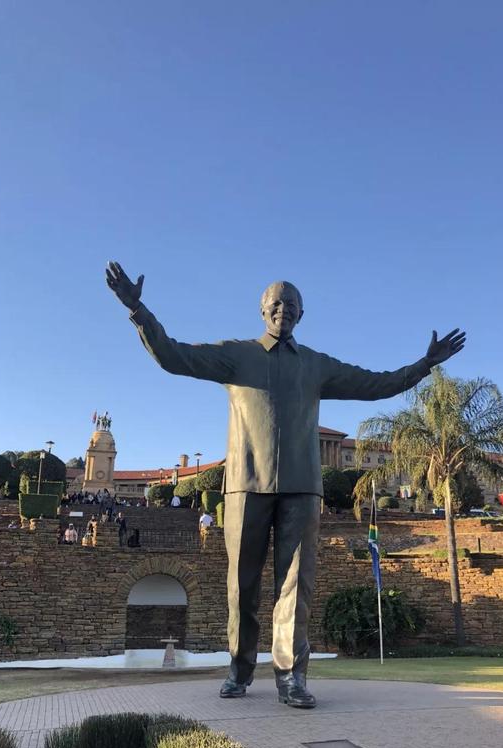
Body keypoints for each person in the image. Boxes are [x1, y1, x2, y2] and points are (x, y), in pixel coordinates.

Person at [107, 261, 465, 709]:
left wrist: (424, 365)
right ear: (262, 310)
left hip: (301, 486)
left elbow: (375, 384)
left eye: (292, 304)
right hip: (245, 485)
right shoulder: (236, 355)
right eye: (276, 303)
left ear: (301, 314)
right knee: (242, 586)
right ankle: (239, 668)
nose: (284, 309)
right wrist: (138, 310)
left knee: (297, 586)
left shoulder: (316, 365)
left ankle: (292, 676)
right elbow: (173, 356)